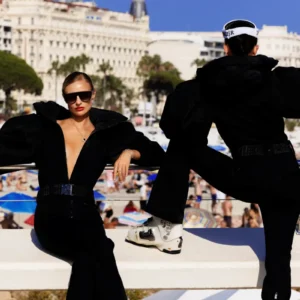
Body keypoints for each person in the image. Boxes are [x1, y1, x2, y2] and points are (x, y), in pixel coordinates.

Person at [127, 20, 300, 300]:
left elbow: (174, 126)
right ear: (256, 47)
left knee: (183, 145)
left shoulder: (208, 85)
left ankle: (166, 225)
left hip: (248, 175)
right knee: (280, 259)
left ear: (226, 47)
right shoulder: (276, 79)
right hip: (287, 174)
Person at [0, 71, 165, 300]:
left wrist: (129, 152)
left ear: (93, 95)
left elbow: (157, 154)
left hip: (86, 213)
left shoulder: (109, 132)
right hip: (50, 213)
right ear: (65, 99)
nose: (78, 101)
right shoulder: (44, 128)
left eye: (84, 95)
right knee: (96, 253)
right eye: (71, 97)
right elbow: (5, 144)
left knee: (96, 254)